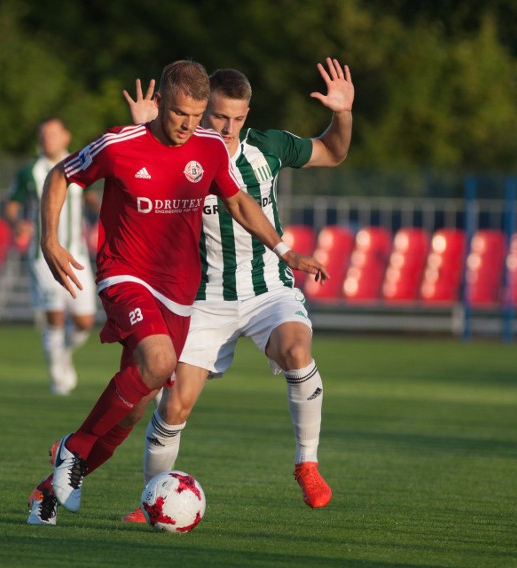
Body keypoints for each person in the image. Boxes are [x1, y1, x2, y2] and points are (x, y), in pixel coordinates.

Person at [29, 60, 326, 526]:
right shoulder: (120, 143)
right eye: (179, 114)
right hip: (125, 274)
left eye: (196, 114)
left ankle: (51, 490)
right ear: (162, 102)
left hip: (179, 291)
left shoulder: (208, 147)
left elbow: (236, 201)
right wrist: (48, 239)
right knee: (161, 364)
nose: (189, 126)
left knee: (133, 410)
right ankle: (75, 449)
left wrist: (284, 250)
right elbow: (60, 175)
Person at [116, 58, 353, 522]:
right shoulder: (180, 151)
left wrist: (342, 113)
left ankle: (307, 463)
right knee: (175, 403)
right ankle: (151, 501)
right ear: (202, 113)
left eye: (238, 118)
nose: (228, 127)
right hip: (204, 298)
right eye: (219, 117)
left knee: (296, 351)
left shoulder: (269, 146)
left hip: (268, 289)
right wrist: (146, 138)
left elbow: (334, 152)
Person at [6, 117, 99, 395]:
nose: (48, 139)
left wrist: (102, 208)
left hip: (76, 253)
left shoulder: (80, 165)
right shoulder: (30, 172)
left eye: (53, 134)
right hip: (42, 254)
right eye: (44, 134)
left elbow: (90, 197)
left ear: (65, 137)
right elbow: (12, 206)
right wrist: (17, 222)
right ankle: (58, 377)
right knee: (55, 316)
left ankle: (63, 355)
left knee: (84, 321)